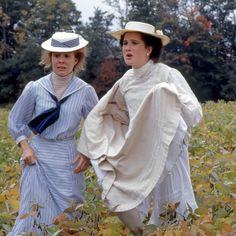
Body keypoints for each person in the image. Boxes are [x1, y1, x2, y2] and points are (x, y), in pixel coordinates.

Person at [77, 21, 203, 234]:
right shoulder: (126, 81)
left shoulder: (167, 75)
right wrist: (87, 148)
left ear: (148, 48)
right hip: (140, 153)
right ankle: (142, 231)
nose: (127, 48)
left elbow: (194, 114)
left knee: (173, 204)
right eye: (125, 43)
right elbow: (105, 112)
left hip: (168, 151)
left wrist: (170, 97)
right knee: (127, 197)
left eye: (134, 43)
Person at [7, 31, 98, 235]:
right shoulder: (36, 88)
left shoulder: (85, 91)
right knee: (33, 214)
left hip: (68, 158)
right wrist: (25, 147)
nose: (61, 60)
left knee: (69, 216)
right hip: (38, 158)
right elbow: (16, 120)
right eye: (56, 55)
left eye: (67, 56)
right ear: (50, 58)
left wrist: (87, 152)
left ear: (77, 59)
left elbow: (97, 126)